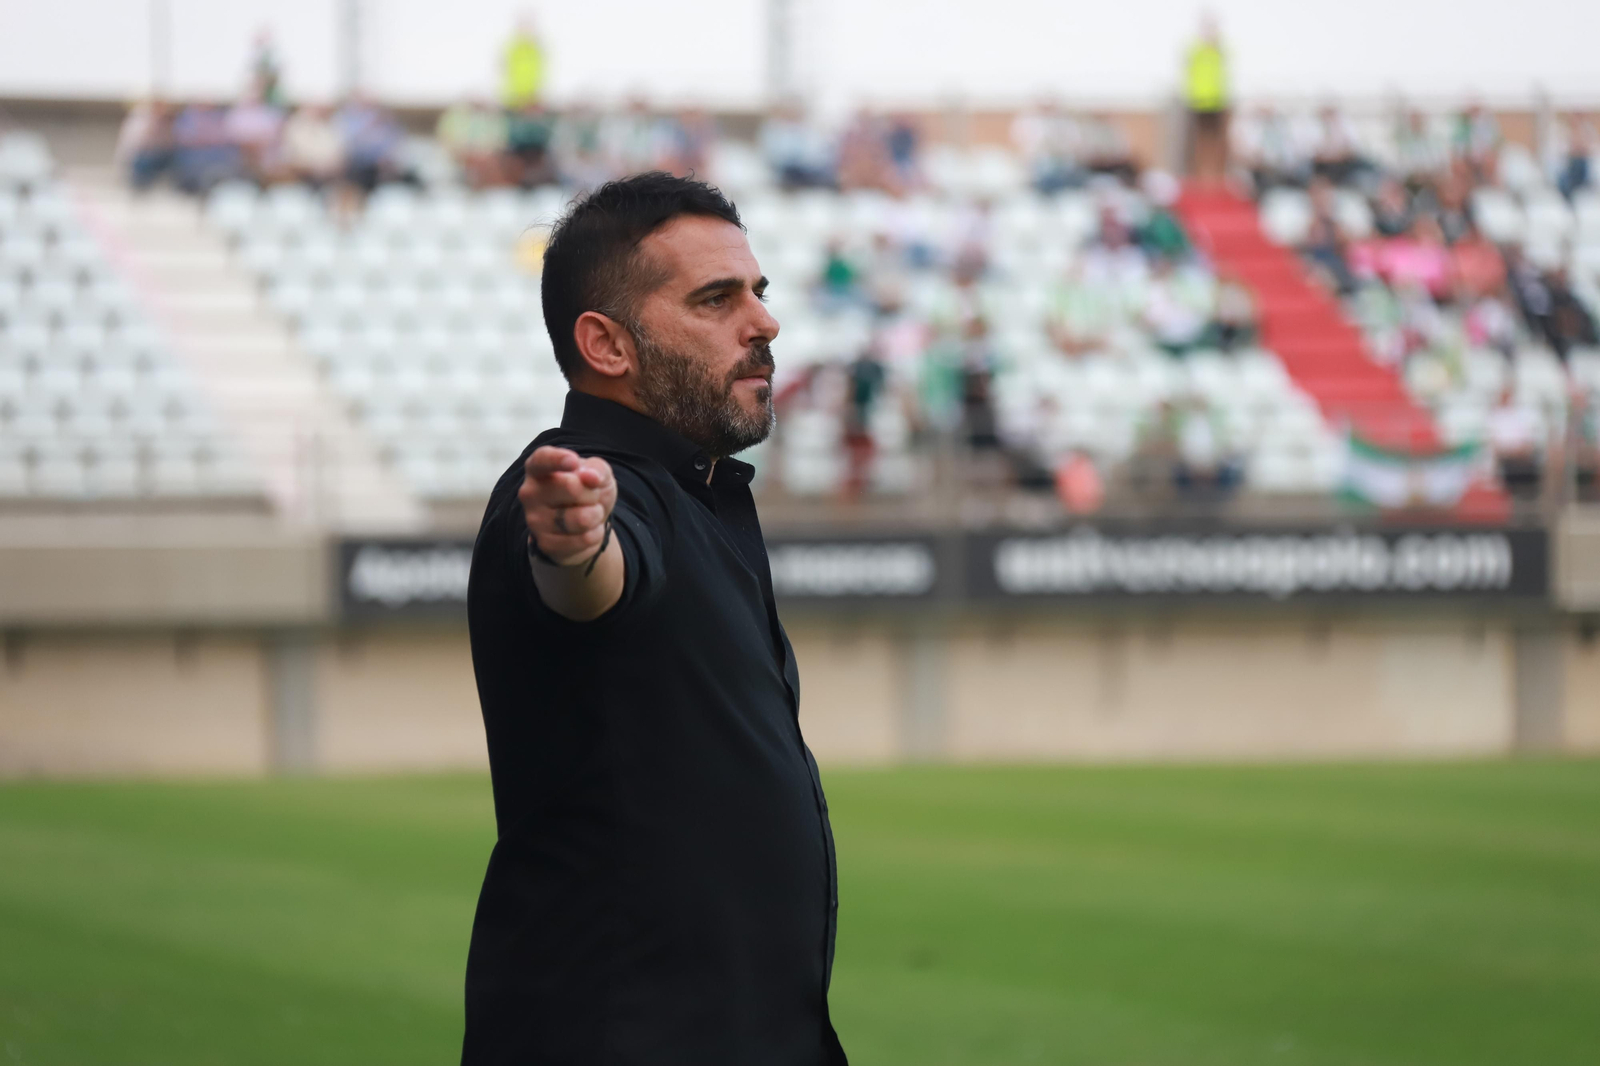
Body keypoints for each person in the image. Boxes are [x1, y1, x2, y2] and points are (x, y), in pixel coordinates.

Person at [461, 173, 847, 1064]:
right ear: (606, 343)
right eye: (716, 299)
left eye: (758, 292)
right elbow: (593, 576)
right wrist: (573, 546)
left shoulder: (698, 491)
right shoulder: (595, 486)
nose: (764, 323)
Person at [1182, 12, 1230, 183]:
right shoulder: (1195, 50)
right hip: (1198, 102)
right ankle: (1198, 175)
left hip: (1217, 102)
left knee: (1216, 142)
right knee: (1198, 141)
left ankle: (1216, 176)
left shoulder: (1220, 50)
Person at [501, 14, 546, 110]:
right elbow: (505, 73)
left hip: (532, 98)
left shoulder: (536, 50)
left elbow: (542, 73)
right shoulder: (512, 49)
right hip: (513, 99)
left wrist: (534, 95)